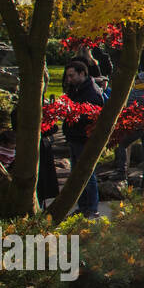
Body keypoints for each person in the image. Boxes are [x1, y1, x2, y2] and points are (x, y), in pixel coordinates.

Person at [62, 59, 106, 217]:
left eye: (71, 75)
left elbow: (92, 118)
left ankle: (92, 208)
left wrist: (72, 117)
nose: (69, 79)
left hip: (83, 138)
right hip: (74, 137)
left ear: (82, 73)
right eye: (68, 76)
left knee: (87, 173)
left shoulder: (91, 93)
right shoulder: (76, 89)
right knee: (76, 173)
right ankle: (83, 205)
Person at [114, 72, 144, 187]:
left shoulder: (133, 93)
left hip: (137, 126)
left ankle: (121, 171)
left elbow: (127, 107)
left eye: (138, 79)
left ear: (143, 81)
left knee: (122, 144)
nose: (136, 81)